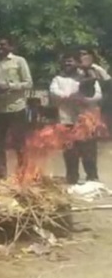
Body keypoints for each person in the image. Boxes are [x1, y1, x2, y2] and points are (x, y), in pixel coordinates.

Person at [49, 51, 101, 184]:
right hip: (66, 121)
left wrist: (81, 98)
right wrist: (73, 95)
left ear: (77, 63)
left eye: (70, 60)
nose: (67, 63)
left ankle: (92, 178)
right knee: (70, 152)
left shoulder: (88, 78)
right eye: (65, 61)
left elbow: (97, 95)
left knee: (88, 152)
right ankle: (72, 178)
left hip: (86, 121)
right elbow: (55, 94)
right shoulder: (58, 79)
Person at [0, 36, 33, 179]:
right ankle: (0, 173)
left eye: (3, 45)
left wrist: (11, 86)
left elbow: (28, 83)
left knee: (19, 142)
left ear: (11, 47)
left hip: (17, 107)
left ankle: (23, 172)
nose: (0, 47)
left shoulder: (19, 61)